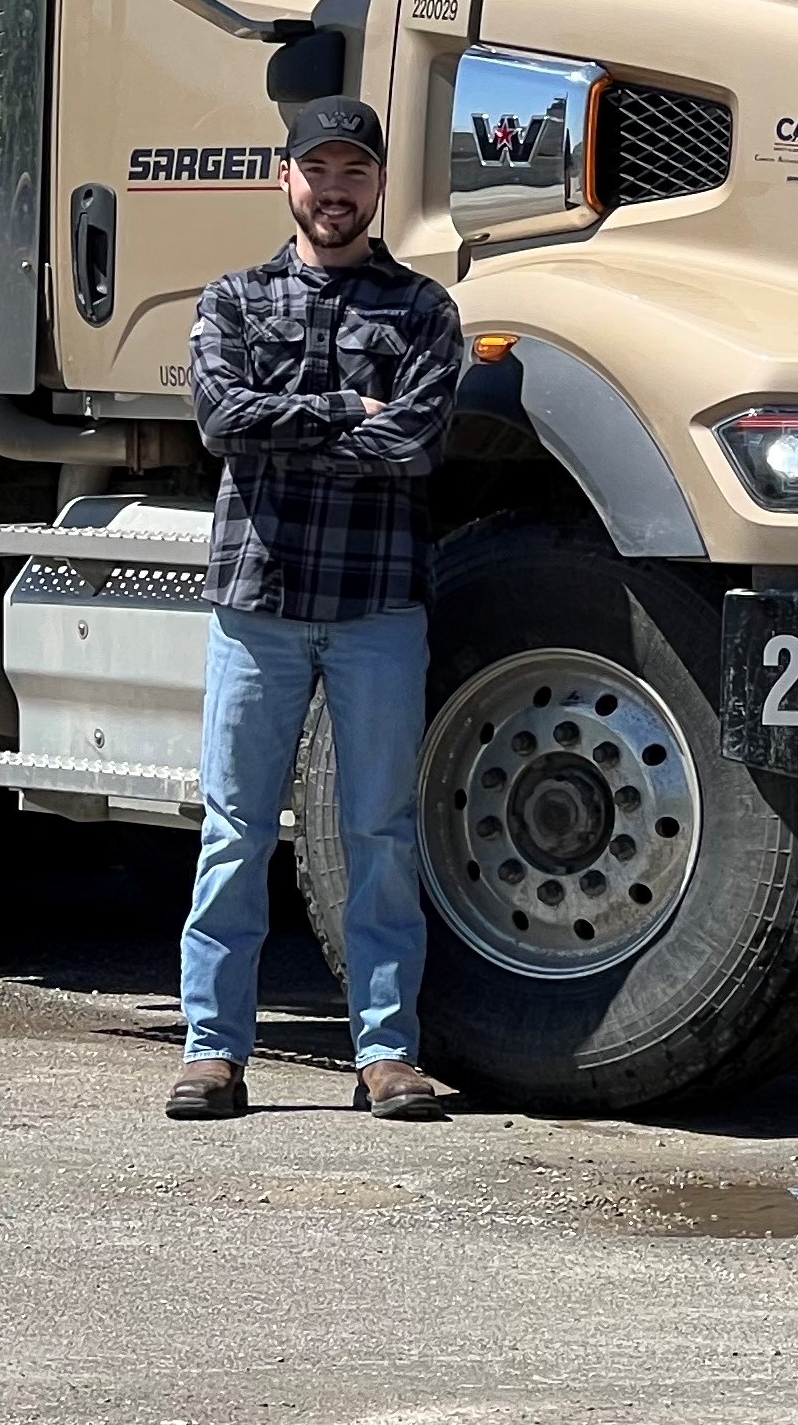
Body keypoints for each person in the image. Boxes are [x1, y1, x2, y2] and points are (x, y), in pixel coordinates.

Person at [168, 95, 462, 1122]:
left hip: (378, 604)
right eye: (318, 171)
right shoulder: (233, 300)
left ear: (380, 187)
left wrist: (288, 433)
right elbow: (219, 420)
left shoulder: (425, 311)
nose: (335, 191)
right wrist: (346, 412)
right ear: (283, 178)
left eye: (355, 174)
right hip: (259, 600)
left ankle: (388, 1058)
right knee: (235, 831)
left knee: (380, 831)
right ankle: (212, 1052)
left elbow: (417, 443)